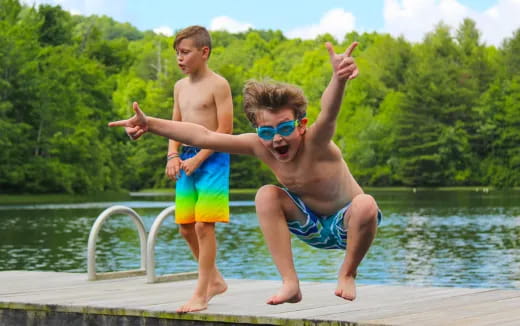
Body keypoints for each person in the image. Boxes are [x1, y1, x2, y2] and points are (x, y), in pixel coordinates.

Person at [109, 41, 382, 306]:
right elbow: (203, 135)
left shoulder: (317, 141)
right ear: (258, 133)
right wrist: (150, 124)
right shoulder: (258, 146)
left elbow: (329, 111)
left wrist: (339, 78)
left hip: (348, 225)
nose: (276, 139)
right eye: (266, 132)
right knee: (266, 195)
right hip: (308, 224)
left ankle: (347, 273)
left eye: (285, 128)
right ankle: (290, 283)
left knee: (366, 204)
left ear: (302, 126)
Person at [164, 25, 233, 313]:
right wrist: (172, 155)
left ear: (204, 53)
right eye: (177, 53)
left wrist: (199, 158)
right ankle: (215, 279)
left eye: (185, 52)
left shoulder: (219, 85)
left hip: (213, 157)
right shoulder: (179, 87)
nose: (180, 58)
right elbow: (175, 126)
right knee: (185, 227)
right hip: (186, 160)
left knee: (205, 226)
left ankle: (201, 293)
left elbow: (225, 130)